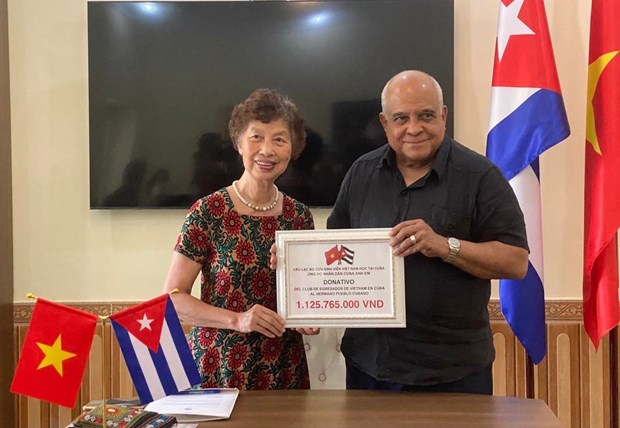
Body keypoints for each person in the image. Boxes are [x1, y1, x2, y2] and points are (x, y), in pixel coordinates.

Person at [326, 70, 529, 395]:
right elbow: (335, 248)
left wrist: (446, 246)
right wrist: (297, 268)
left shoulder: (480, 176)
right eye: (401, 118)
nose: (414, 128)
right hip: (370, 367)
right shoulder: (361, 173)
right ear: (384, 123)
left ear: (443, 116)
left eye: (425, 116)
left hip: (453, 372)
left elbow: (515, 262)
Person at [163, 88, 319, 390]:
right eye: (256, 137)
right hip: (219, 365)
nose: (267, 150)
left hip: (283, 366)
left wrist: (310, 317)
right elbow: (172, 299)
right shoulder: (208, 211)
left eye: (279, 139)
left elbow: (306, 293)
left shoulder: (299, 216)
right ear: (238, 142)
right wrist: (237, 320)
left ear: (293, 148)